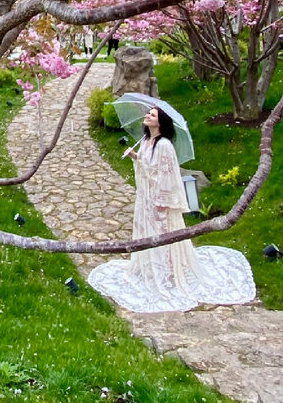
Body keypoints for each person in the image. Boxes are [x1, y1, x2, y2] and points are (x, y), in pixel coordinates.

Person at [87, 106, 256, 312]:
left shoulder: (164, 145)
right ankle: (151, 265)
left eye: (152, 115)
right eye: (148, 113)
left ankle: (168, 271)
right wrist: (135, 157)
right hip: (146, 198)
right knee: (148, 231)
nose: (147, 116)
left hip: (159, 200)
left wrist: (162, 201)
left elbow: (167, 175)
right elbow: (149, 168)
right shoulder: (147, 141)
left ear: (160, 122)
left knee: (163, 232)